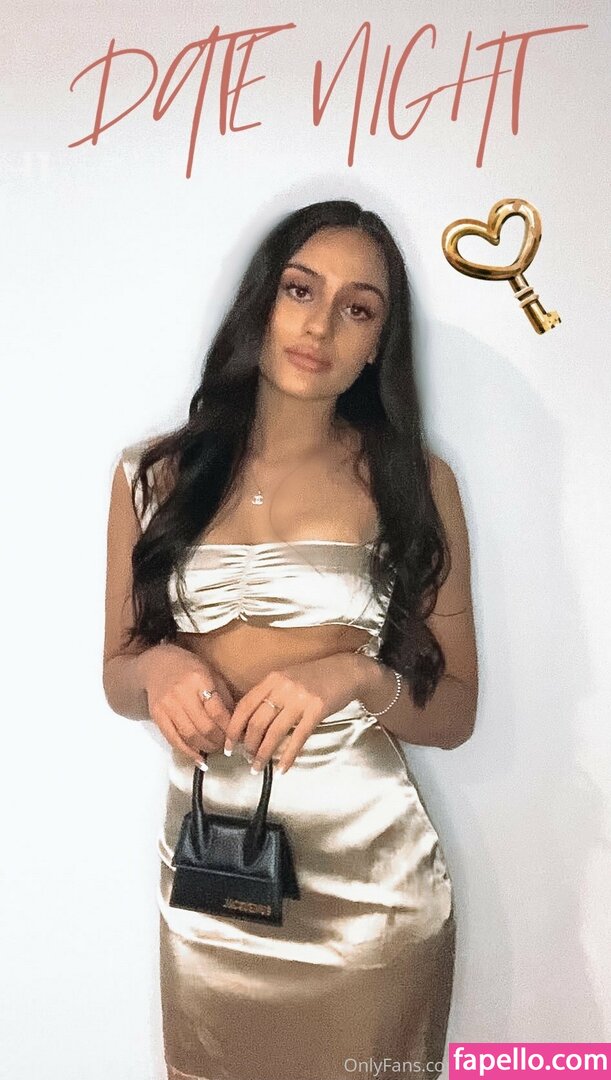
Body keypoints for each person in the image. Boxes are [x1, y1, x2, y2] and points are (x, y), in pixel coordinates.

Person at [103, 199, 478, 1080]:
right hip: (208, 881)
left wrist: (355, 675)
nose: (320, 325)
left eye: (358, 308)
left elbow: (456, 713)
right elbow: (116, 676)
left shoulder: (413, 481)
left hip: (367, 897)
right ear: (260, 302)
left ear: (378, 344)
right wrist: (156, 665)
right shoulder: (151, 475)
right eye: (299, 290)